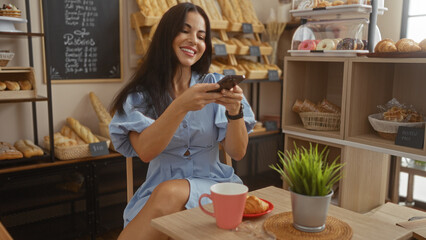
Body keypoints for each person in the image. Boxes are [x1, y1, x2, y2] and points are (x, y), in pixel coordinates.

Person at [109, 3, 255, 239]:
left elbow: (237, 152)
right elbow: (145, 151)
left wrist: (235, 111)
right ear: (167, 34)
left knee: (168, 195)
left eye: (201, 36)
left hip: (214, 187)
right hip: (156, 195)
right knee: (166, 196)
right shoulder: (140, 96)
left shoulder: (214, 83)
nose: (193, 41)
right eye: (185, 31)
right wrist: (180, 106)